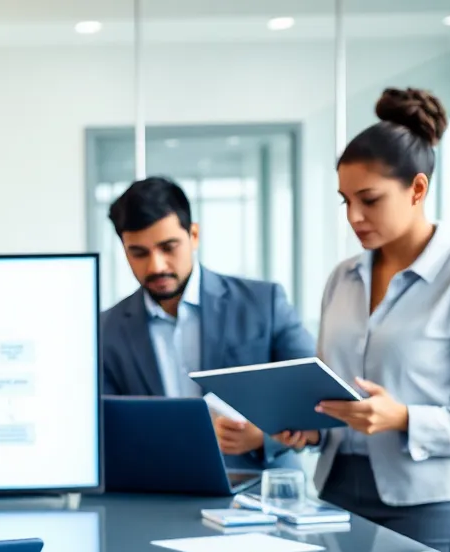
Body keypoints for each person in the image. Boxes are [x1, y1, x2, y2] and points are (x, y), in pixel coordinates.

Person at [276, 87, 450, 552]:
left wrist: (405, 418)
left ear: (417, 189)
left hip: (427, 504)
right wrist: (312, 429)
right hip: (337, 491)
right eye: (346, 201)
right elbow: (335, 394)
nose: (354, 216)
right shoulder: (342, 279)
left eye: (369, 200)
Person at [101, 177, 314, 471]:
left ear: (194, 235)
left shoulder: (264, 303)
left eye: (168, 247)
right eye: (139, 253)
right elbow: (107, 430)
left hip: (260, 486)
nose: (156, 266)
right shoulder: (106, 330)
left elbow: (315, 399)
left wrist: (263, 435)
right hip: (159, 487)